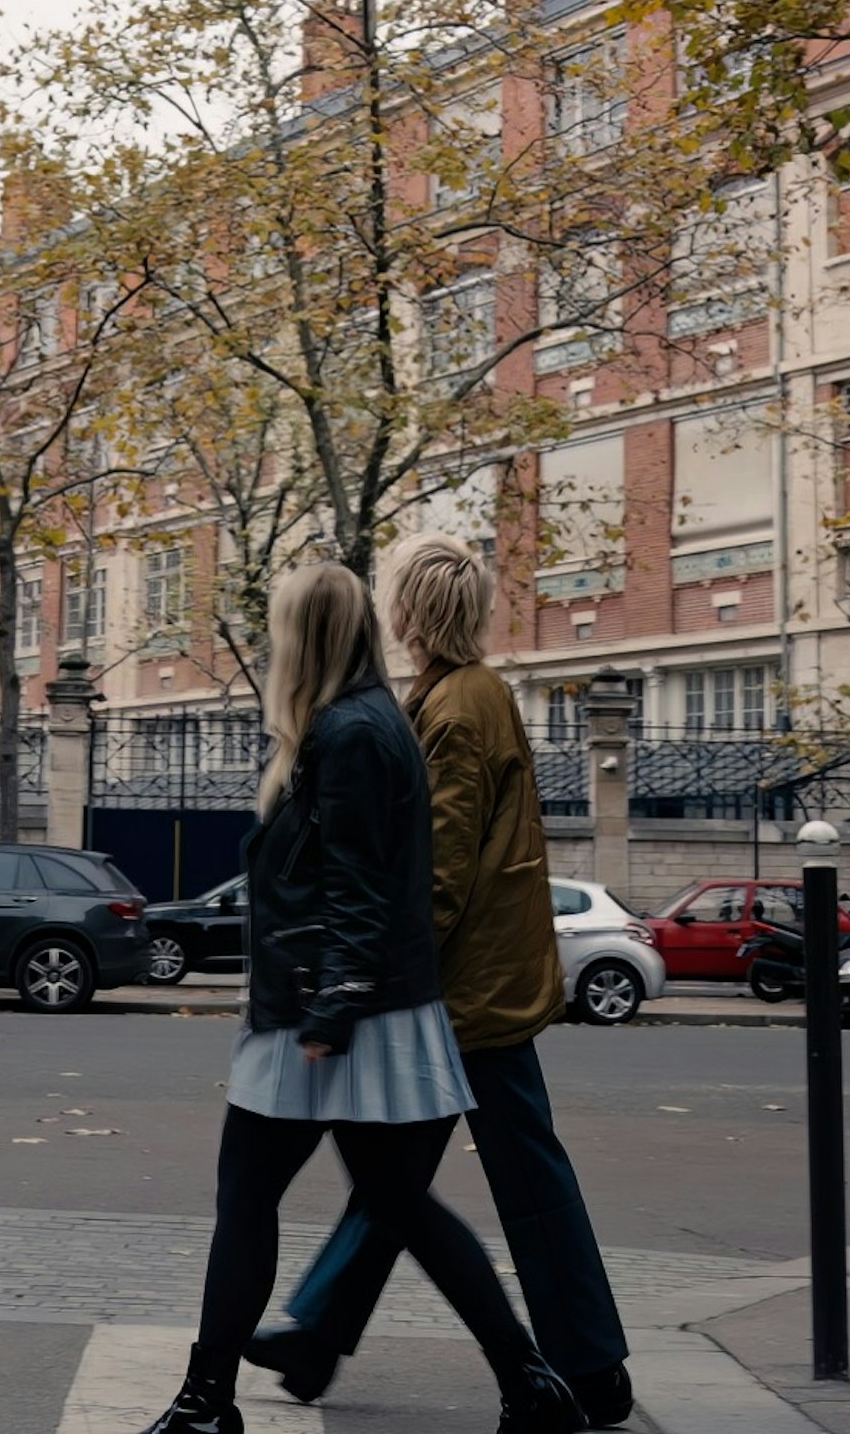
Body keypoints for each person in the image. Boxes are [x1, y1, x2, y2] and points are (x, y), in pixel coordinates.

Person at [134, 559, 584, 1434]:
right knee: (395, 1204)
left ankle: (205, 1404)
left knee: (256, 1200)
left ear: (302, 637)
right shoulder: (359, 724)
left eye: (279, 629)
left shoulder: (351, 735)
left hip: (334, 1014)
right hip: (350, 1008)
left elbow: (362, 888)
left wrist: (331, 1006)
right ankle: (531, 1385)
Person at [242, 535, 633, 1426]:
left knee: (461, 1182)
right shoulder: (471, 695)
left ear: (413, 613)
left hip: (465, 997)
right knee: (402, 1181)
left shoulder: (452, 711)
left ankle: (588, 1367)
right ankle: (316, 1335)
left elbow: (438, 876)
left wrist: (370, 980)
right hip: (484, 984)